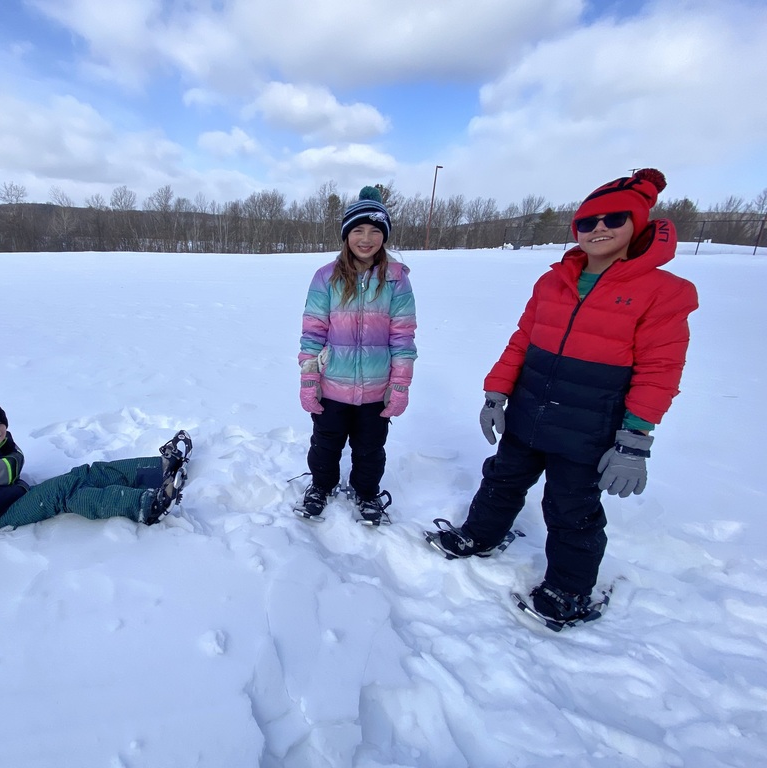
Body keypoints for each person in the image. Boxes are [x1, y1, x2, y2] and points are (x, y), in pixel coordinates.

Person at [428, 168, 698, 625]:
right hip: (529, 410)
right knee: (502, 478)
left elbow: (660, 371)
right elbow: (522, 341)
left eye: (613, 219)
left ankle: (568, 590)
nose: (599, 229)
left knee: (571, 506)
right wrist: (496, 393)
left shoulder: (662, 292)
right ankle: (480, 535)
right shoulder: (553, 281)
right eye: (587, 222)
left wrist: (634, 440)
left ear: (637, 224)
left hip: (590, 425)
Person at [0, 393, 191, 569]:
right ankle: (145, 505)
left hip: (9, 495)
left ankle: (158, 467)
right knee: (64, 493)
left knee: (86, 473)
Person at [296, 185, 417, 525]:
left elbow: (403, 337)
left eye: (375, 231)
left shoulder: (396, 280)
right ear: (346, 235)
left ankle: (366, 492)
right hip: (332, 384)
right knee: (325, 443)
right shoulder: (326, 277)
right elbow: (313, 332)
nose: (366, 239)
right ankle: (321, 486)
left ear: (385, 236)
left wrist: (400, 385)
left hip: (377, 388)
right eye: (358, 230)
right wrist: (309, 379)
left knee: (370, 448)